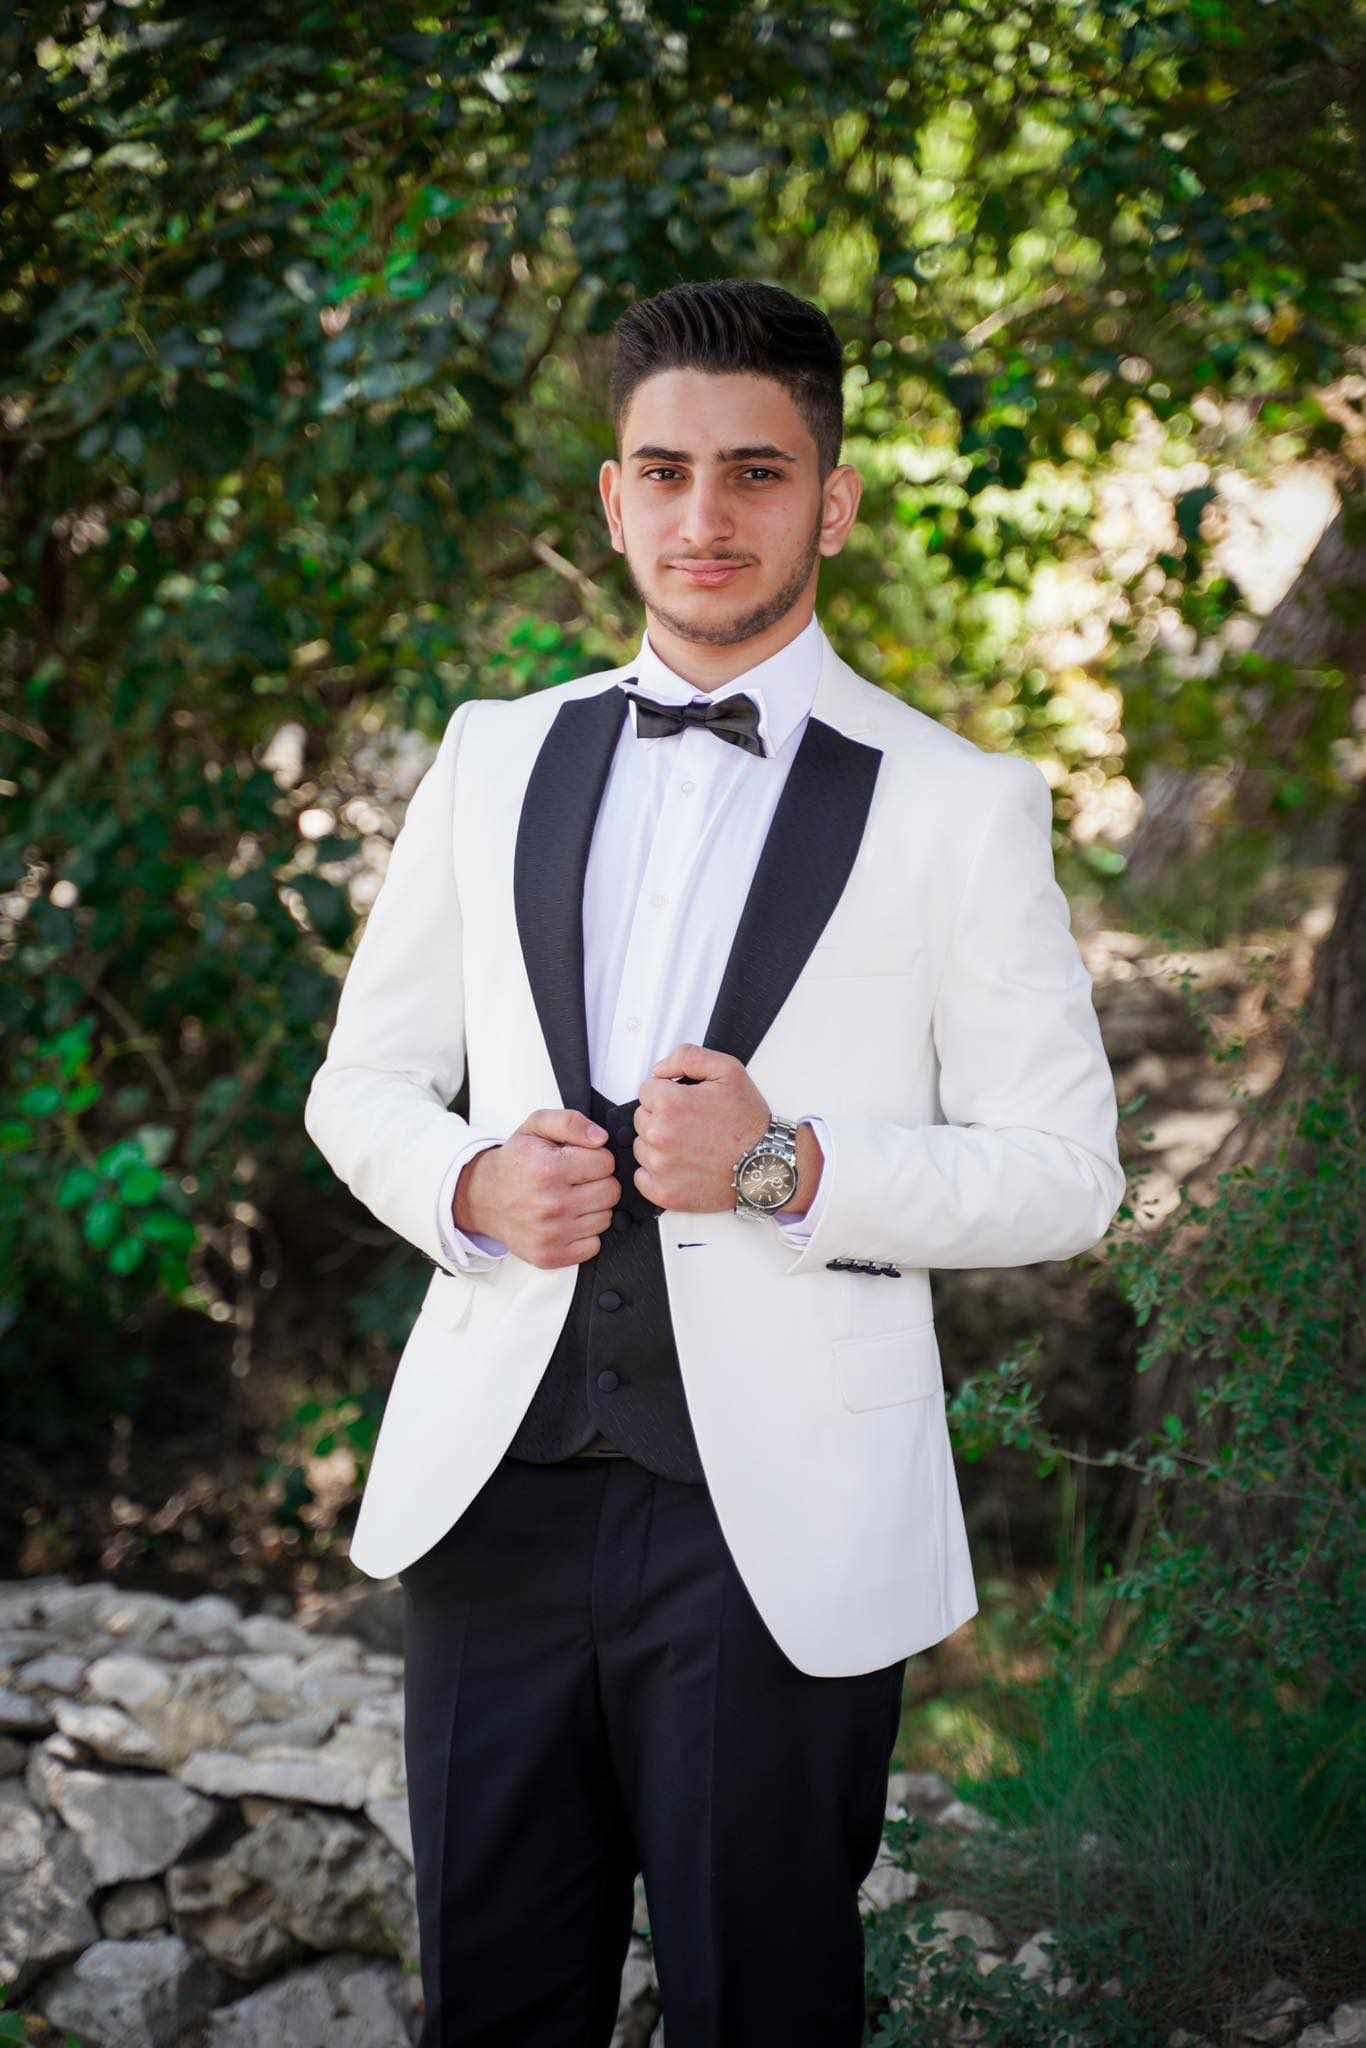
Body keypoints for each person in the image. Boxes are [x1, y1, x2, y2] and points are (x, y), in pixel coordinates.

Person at [303, 277, 1124, 2047]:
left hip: (779, 1526)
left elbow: (1067, 1173)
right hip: (495, 1495)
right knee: (492, 2007)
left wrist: (787, 1169)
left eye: (755, 472)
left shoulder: (954, 801)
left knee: (765, 2008)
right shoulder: (493, 756)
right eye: (664, 473)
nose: (705, 516)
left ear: (831, 500)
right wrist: (465, 1187)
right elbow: (361, 1083)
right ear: (613, 499)